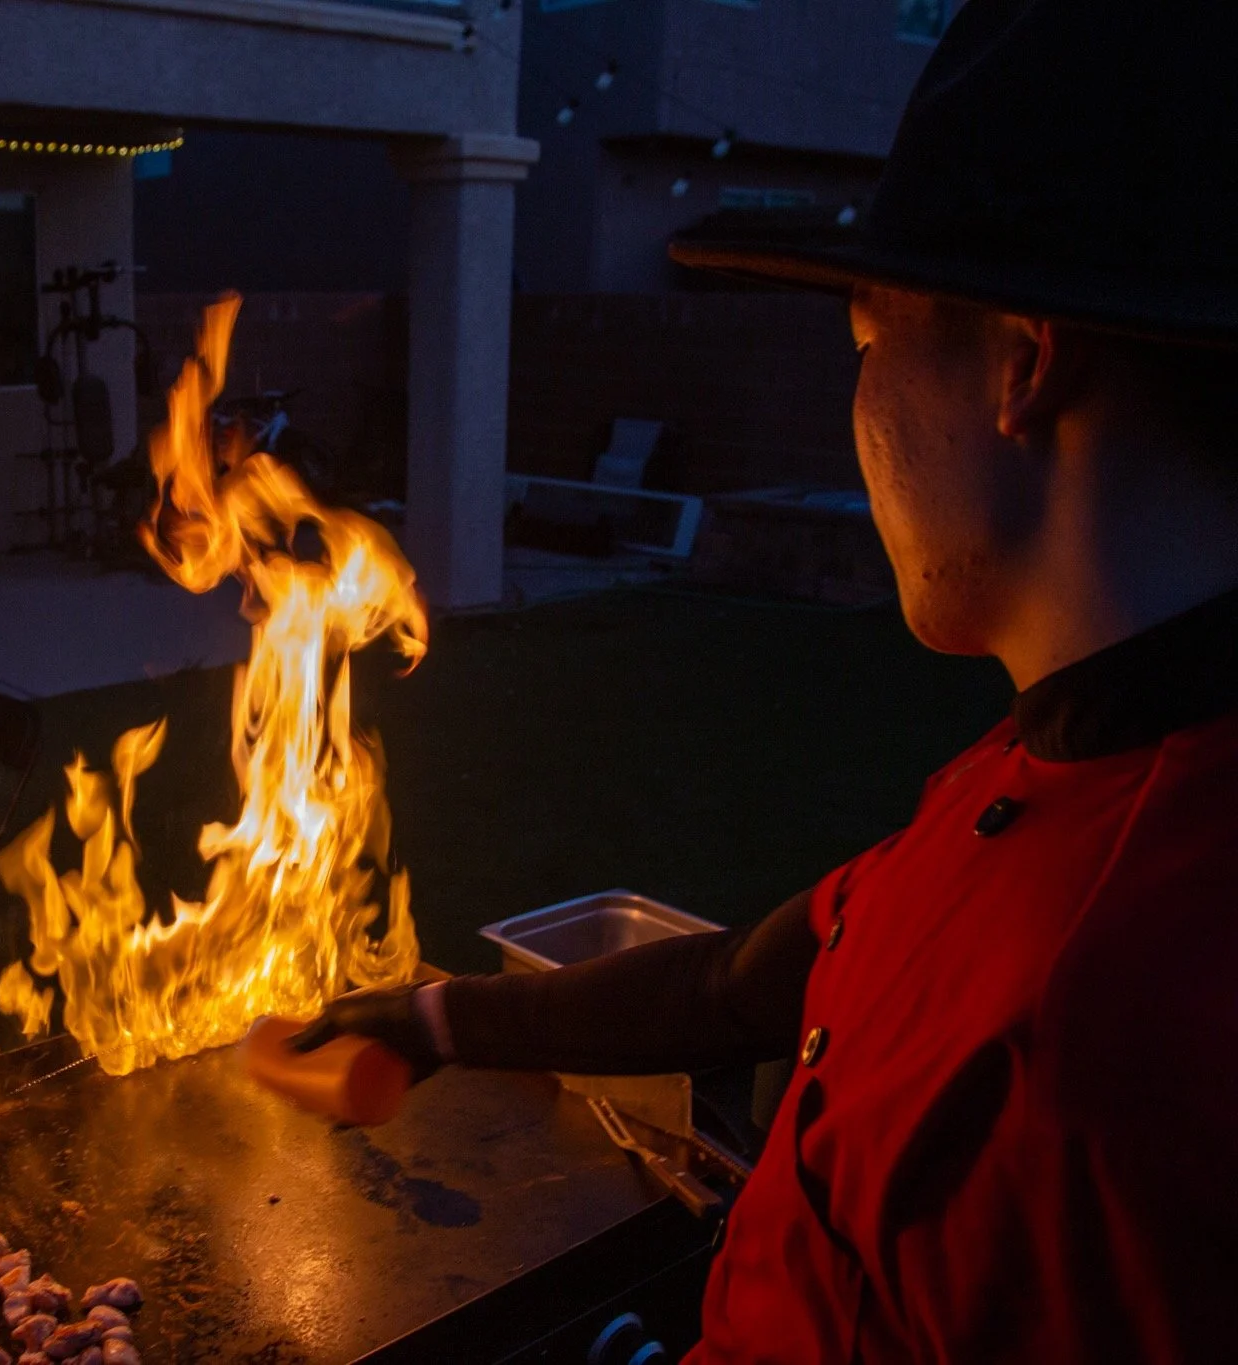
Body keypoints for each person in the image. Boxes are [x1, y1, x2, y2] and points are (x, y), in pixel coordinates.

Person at [295, 2, 1238, 1359]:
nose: (849, 413)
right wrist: (440, 1013)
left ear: (1019, 367)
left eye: (864, 345)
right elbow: (744, 982)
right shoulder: (1049, 766)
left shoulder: (1103, 1040)